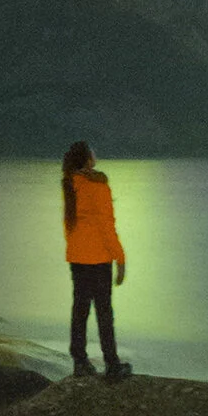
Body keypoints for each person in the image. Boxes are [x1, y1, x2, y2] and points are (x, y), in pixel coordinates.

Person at [61, 135, 130, 379]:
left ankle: (80, 361)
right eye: (93, 152)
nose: (96, 155)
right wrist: (120, 258)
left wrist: (76, 248)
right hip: (99, 258)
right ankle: (112, 364)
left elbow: (69, 225)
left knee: (80, 310)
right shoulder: (98, 185)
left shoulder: (70, 184)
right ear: (88, 160)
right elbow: (106, 225)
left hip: (78, 257)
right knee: (103, 311)